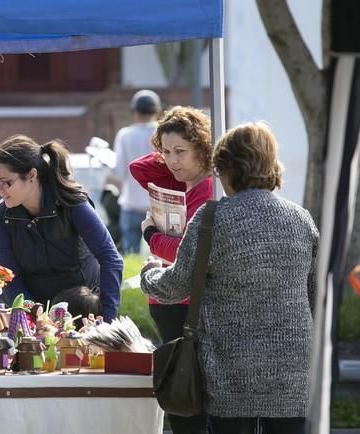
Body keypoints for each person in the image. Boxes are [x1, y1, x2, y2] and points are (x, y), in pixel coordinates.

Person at [140, 122, 318, 434]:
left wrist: (148, 273)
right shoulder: (301, 219)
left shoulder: (211, 219)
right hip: (293, 367)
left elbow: (176, 286)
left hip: (230, 369)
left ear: (227, 169)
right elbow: (314, 296)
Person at [129, 106, 213, 434]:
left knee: (187, 400)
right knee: (182, 400)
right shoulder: (184, 184)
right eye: (165, 152)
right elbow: (138, 167)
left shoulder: (206, 189)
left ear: (203, 148)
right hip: (169, 300)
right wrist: (171, 139)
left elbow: (186, 253)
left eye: (181, 151)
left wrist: (152, 236)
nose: (172, 161)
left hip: (185, 305)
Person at [0, 135, 123, 322]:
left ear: (31, 175)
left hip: (84, 310)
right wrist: (33, 316)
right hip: (37, 316)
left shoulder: (72, 203)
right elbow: (9, 275)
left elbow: (110, 258)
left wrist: (107, 320)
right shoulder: (0, 216)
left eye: (6, 182)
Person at [111, 89, 162, 254]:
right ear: (157, 110)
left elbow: (118, 172)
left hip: (131, 203)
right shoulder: (163, 132)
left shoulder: (125, 135)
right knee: (160, 255)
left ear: (134, 111)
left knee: (130, 254)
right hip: (157, 205)